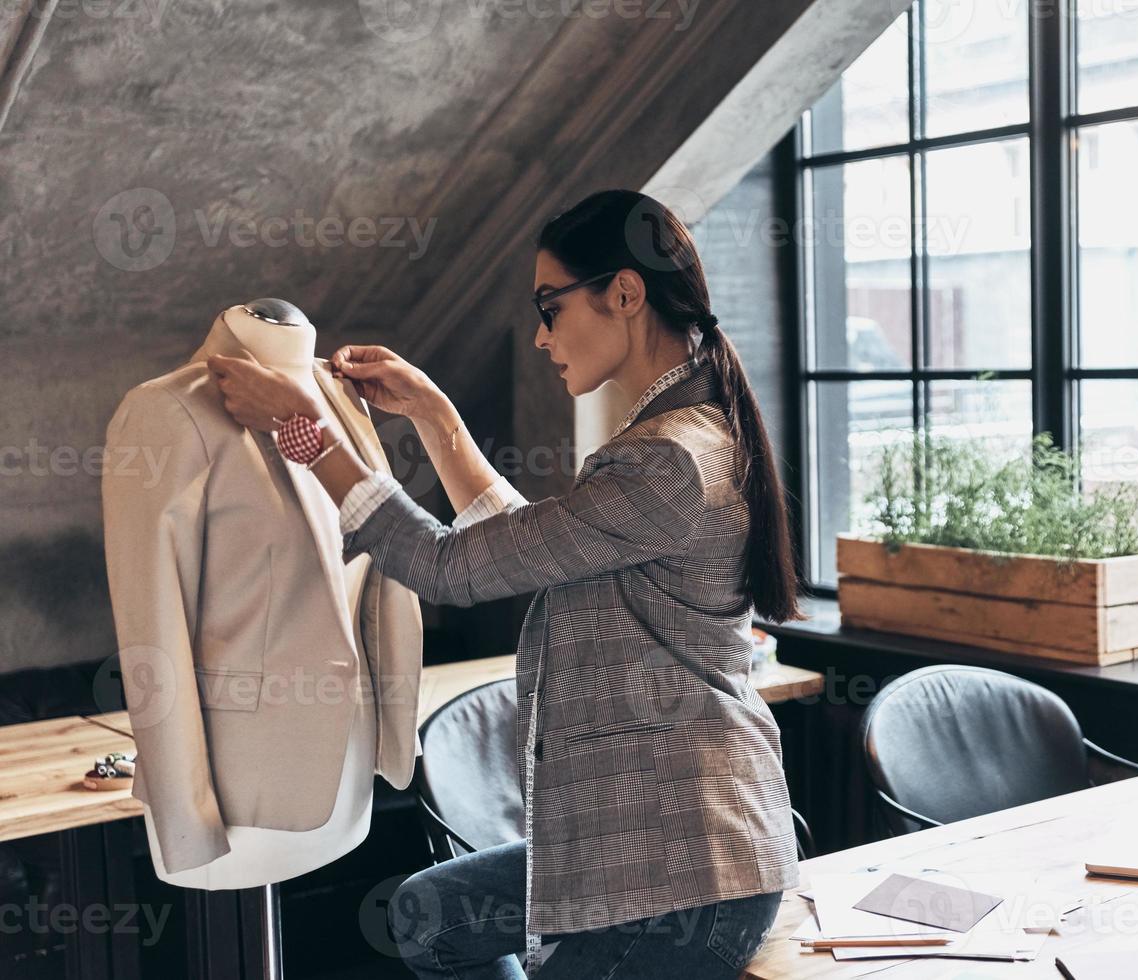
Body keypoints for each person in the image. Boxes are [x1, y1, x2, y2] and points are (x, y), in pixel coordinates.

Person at [207, 189, 804, 978]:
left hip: (677, 869)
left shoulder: (666, 458)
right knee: (429, 916)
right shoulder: (693, 431)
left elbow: (445, 567)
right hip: (647, 842)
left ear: (624, 294)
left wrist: (304, 433)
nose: (540, 334)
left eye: (550, 306)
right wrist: (434, 416)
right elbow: (531, 545)